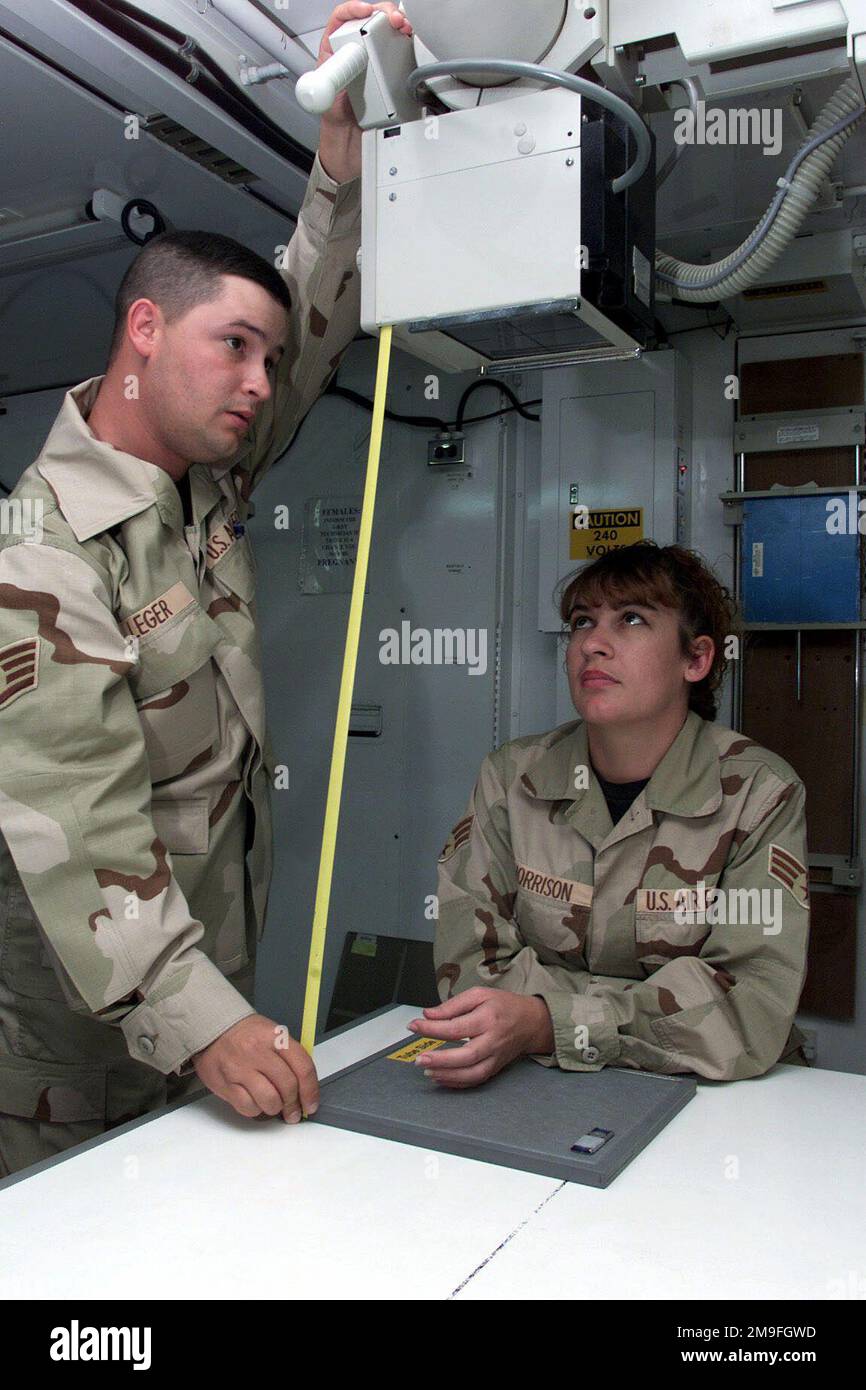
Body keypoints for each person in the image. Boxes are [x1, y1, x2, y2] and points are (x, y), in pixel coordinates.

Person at [0, 2, 414, 1178]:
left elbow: (309, 319)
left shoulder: (201, 489)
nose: (258, 382)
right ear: (143, 330)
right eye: (232, 346)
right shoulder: (40, 552)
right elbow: (80, 822)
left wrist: (340, 173)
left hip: (193, 1017)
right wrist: (212, 1018)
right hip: (70, 1064)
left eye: (266, 361)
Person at [414, 541, 810, 1086]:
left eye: (630, 620)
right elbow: (469, 970)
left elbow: (747, 1007)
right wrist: (639, 1012)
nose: (592, 645)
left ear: (695, 659)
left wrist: (545, 1021)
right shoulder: (513, 778)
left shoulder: (758, 793)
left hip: (712, 1099)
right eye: (581, 622)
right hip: (534, 1081)